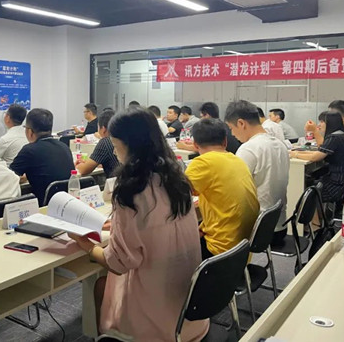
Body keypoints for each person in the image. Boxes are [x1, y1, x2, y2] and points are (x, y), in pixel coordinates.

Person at [68, 107, 208, 341]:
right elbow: (155, 223)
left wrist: (86, 246)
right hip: (190, 310)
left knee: (102, 285)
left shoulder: (131, 192)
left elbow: (119, 263)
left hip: (155, 321)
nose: (114, 151)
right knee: (103, 285)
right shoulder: (177, 179)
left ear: (131, 146)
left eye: (116, 145)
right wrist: (120, 224)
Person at [186, 119, 259, 259]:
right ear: (225, 141)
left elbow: (176, 196)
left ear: (195, 144)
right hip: (242, 247)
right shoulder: (237, 160)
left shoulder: (202, 163)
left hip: (220, 251)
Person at [225, 100, 289, 244]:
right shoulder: (280, 145)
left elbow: (234, 191)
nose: (232, 134)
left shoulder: (248, 149)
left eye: (231, 128)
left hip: (258, 230)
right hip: (279, 224)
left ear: (241, 123)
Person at [291, 111, 344, 205]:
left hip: (343, 182)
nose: (319, 125)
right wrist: (299, 152)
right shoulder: (341, 134)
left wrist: (295, 154)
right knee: (314, 181)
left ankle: (315, 215)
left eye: (322, 122)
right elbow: (322, 148)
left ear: (330, 123)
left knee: (311, 194)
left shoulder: (334, 138)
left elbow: (315, 157)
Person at [10, 108, 74, 206]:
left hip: (43, 207)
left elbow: (10, 177)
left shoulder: (29, 150)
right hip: (66, 204)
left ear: (29, 132)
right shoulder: (64, 146)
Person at [176, 102, 241, 154]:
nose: (200, 119)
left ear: (207, 115)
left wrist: (184, 146)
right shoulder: (221, 125)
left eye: (201, 117)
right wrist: (190, 143)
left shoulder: (211, 128)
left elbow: (205, 148)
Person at [75, 109, 119, 178]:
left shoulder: (105, 142)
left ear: (103, 129)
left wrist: (77, 165)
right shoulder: (122, 139)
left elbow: (84, 170)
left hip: (118, 182)